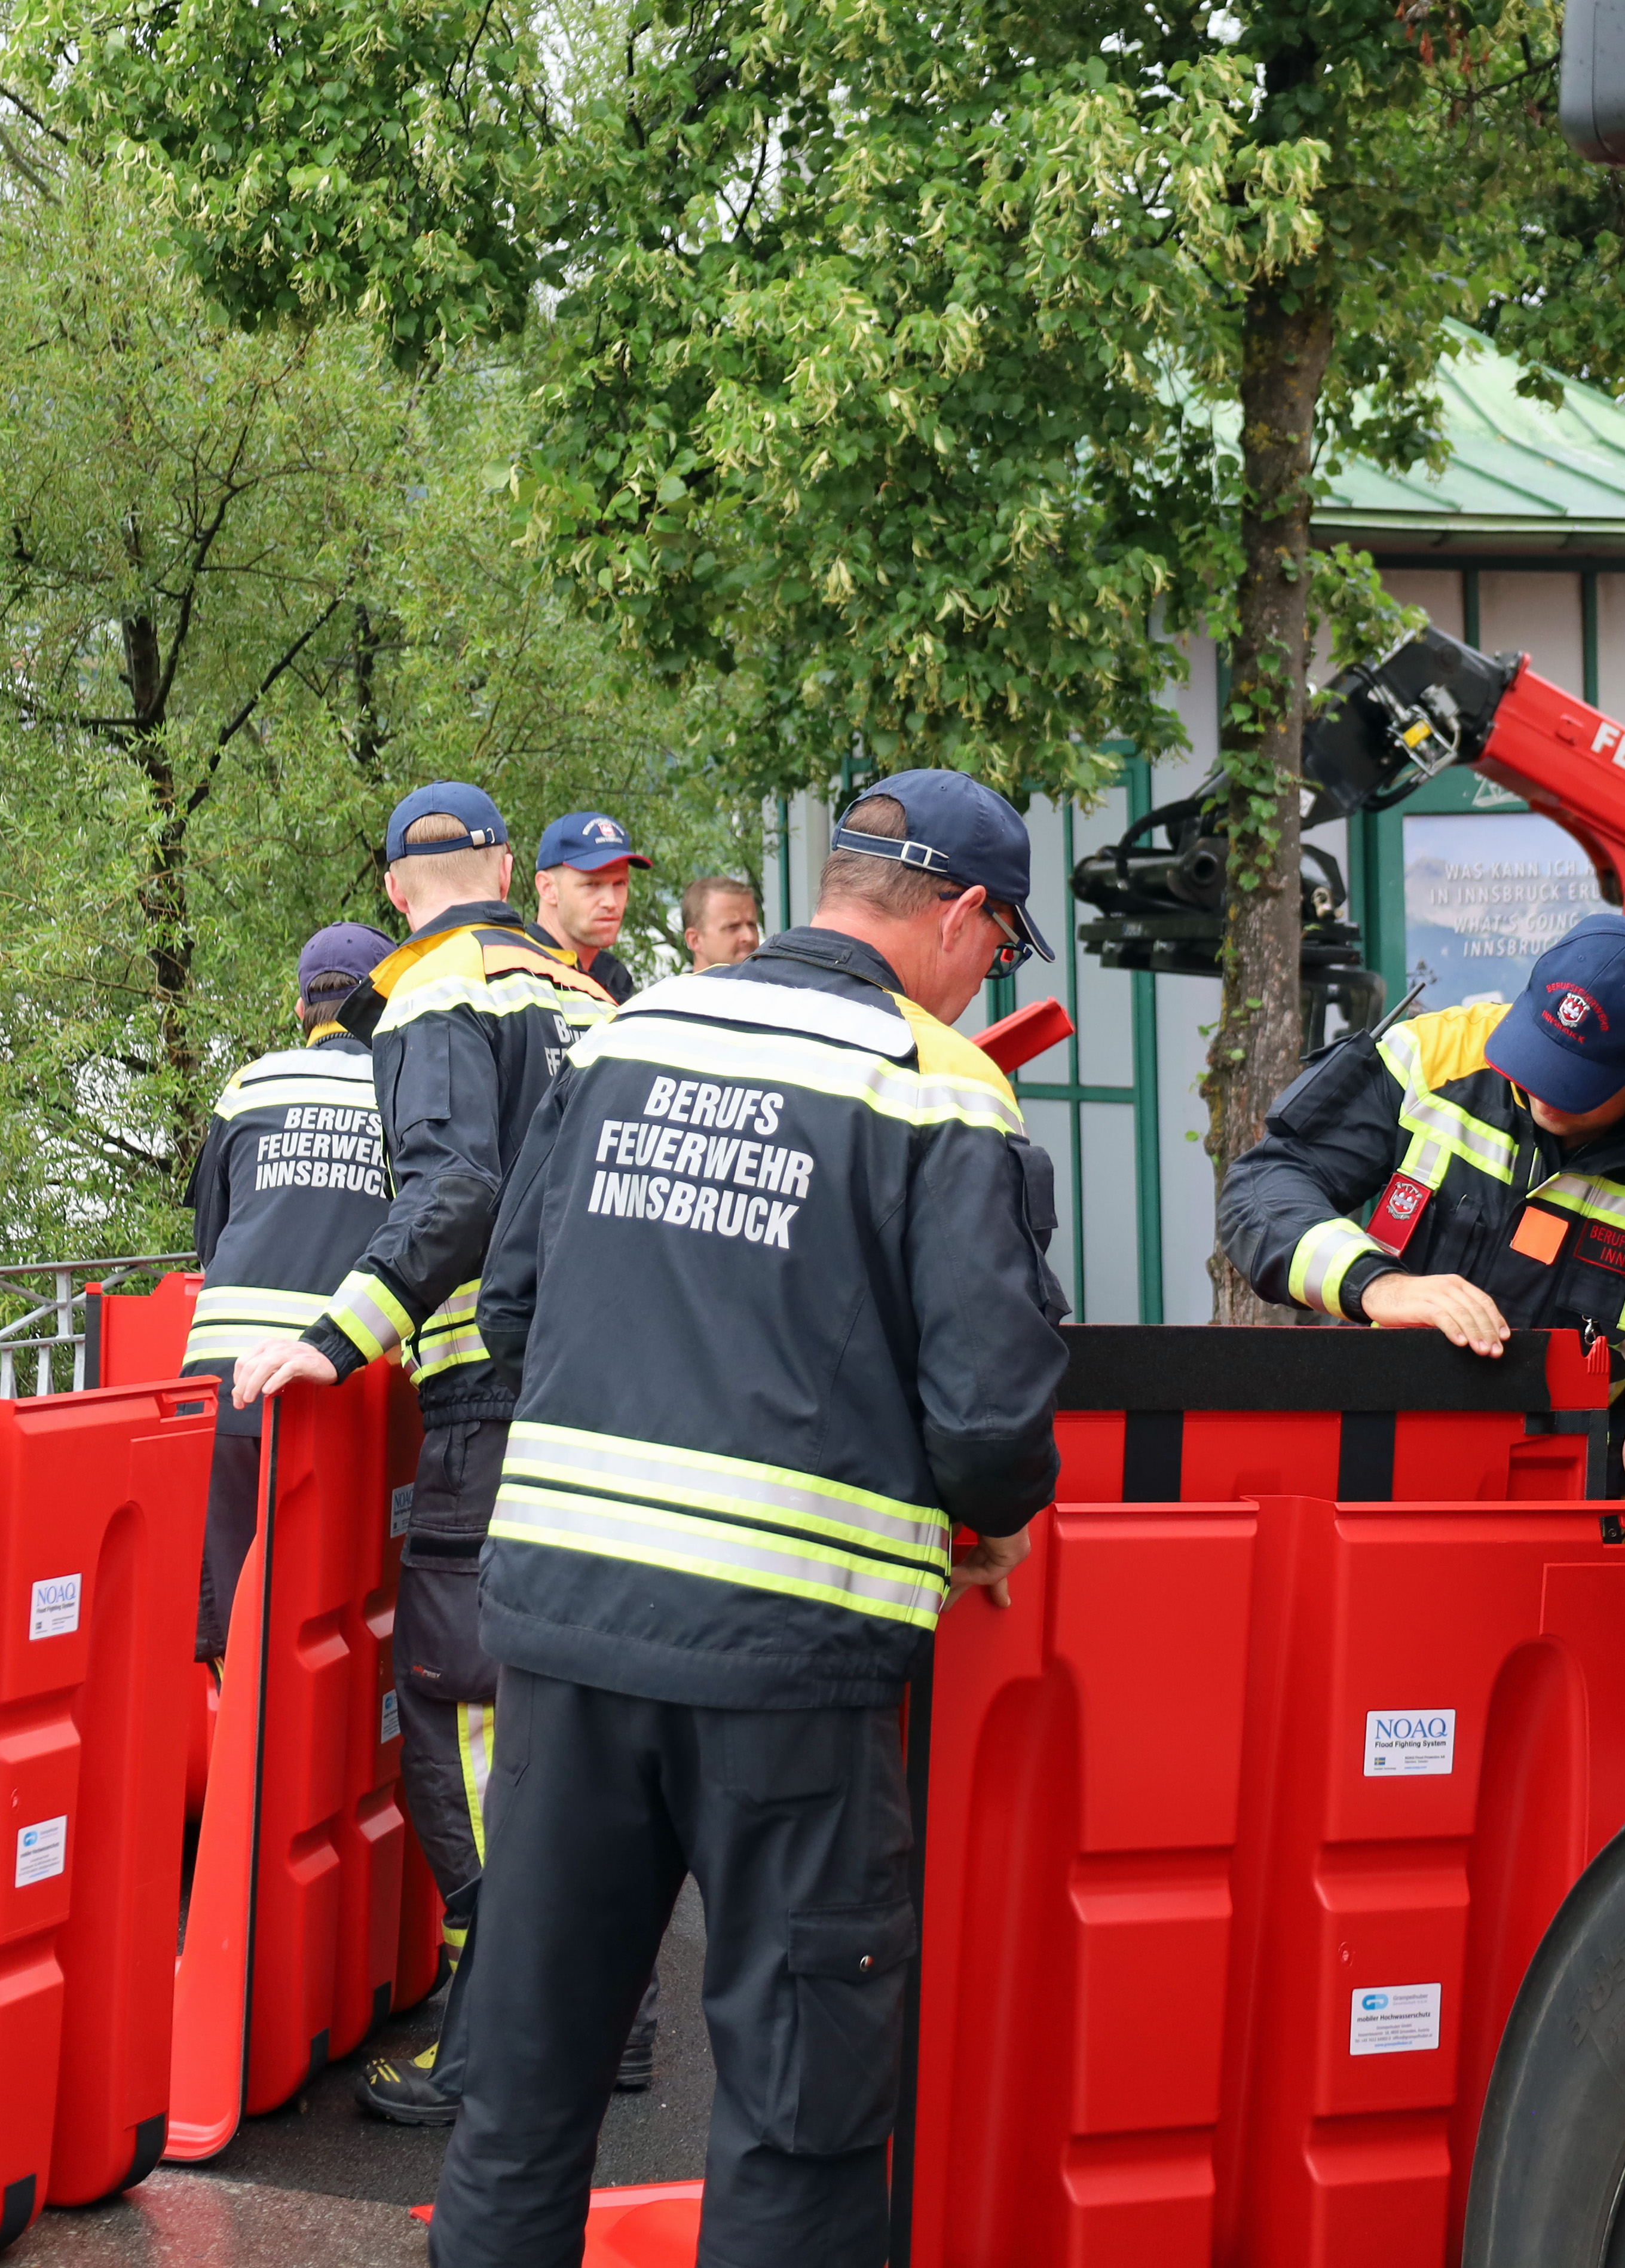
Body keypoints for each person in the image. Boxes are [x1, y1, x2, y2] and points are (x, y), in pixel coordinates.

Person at [427, 772, 1070, 2268]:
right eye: (1001, 947)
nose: (989, 981)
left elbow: (509, 1309)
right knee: (798, 2107)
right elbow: (989, 1424)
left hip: (570, 1634)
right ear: (962, 913)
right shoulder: (936, 1084)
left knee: (525, 2088)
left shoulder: (630, 1029)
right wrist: (986, 1516)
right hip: (793, 1664)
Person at [226, 781, 618, 2126]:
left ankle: (500, 2038)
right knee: (574, 1707)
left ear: (395, 887)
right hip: (604, 1389)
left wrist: (336, 1336)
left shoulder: (439, 990)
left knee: (455, 1706)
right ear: (509, 865)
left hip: (491, 1389)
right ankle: (597, 2019)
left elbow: (453, 1190)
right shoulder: (582, 994)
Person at [1218, 912, 1625, 1500]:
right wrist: (1379, 1286)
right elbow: (1262, 1187)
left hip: (1554, 1525)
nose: (1543, 1091)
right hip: (1359, 1483)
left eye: (1576, 1080)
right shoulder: (1432, 1056)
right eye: (1537, 1053)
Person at [179, 924, 393, 1660]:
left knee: (239, 1628)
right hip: (341, 1382)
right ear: (385, 1001)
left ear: (301, 1008)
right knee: (332, 1628)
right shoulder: (403, 1089)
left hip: (222, 1385)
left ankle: (237, 1765)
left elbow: (211, 1237)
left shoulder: (250, 1083)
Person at [533, 811, 653, 1003]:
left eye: (620, 884)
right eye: (592, 885)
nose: (611, 903)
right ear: (548, 888)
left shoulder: (616, 978)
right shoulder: (518, 973)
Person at [679, 874, 762, 970]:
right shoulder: (671, 985)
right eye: (733, 927)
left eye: (752, 925)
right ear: (695, 940)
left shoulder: (775, 984)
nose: (749, 937)